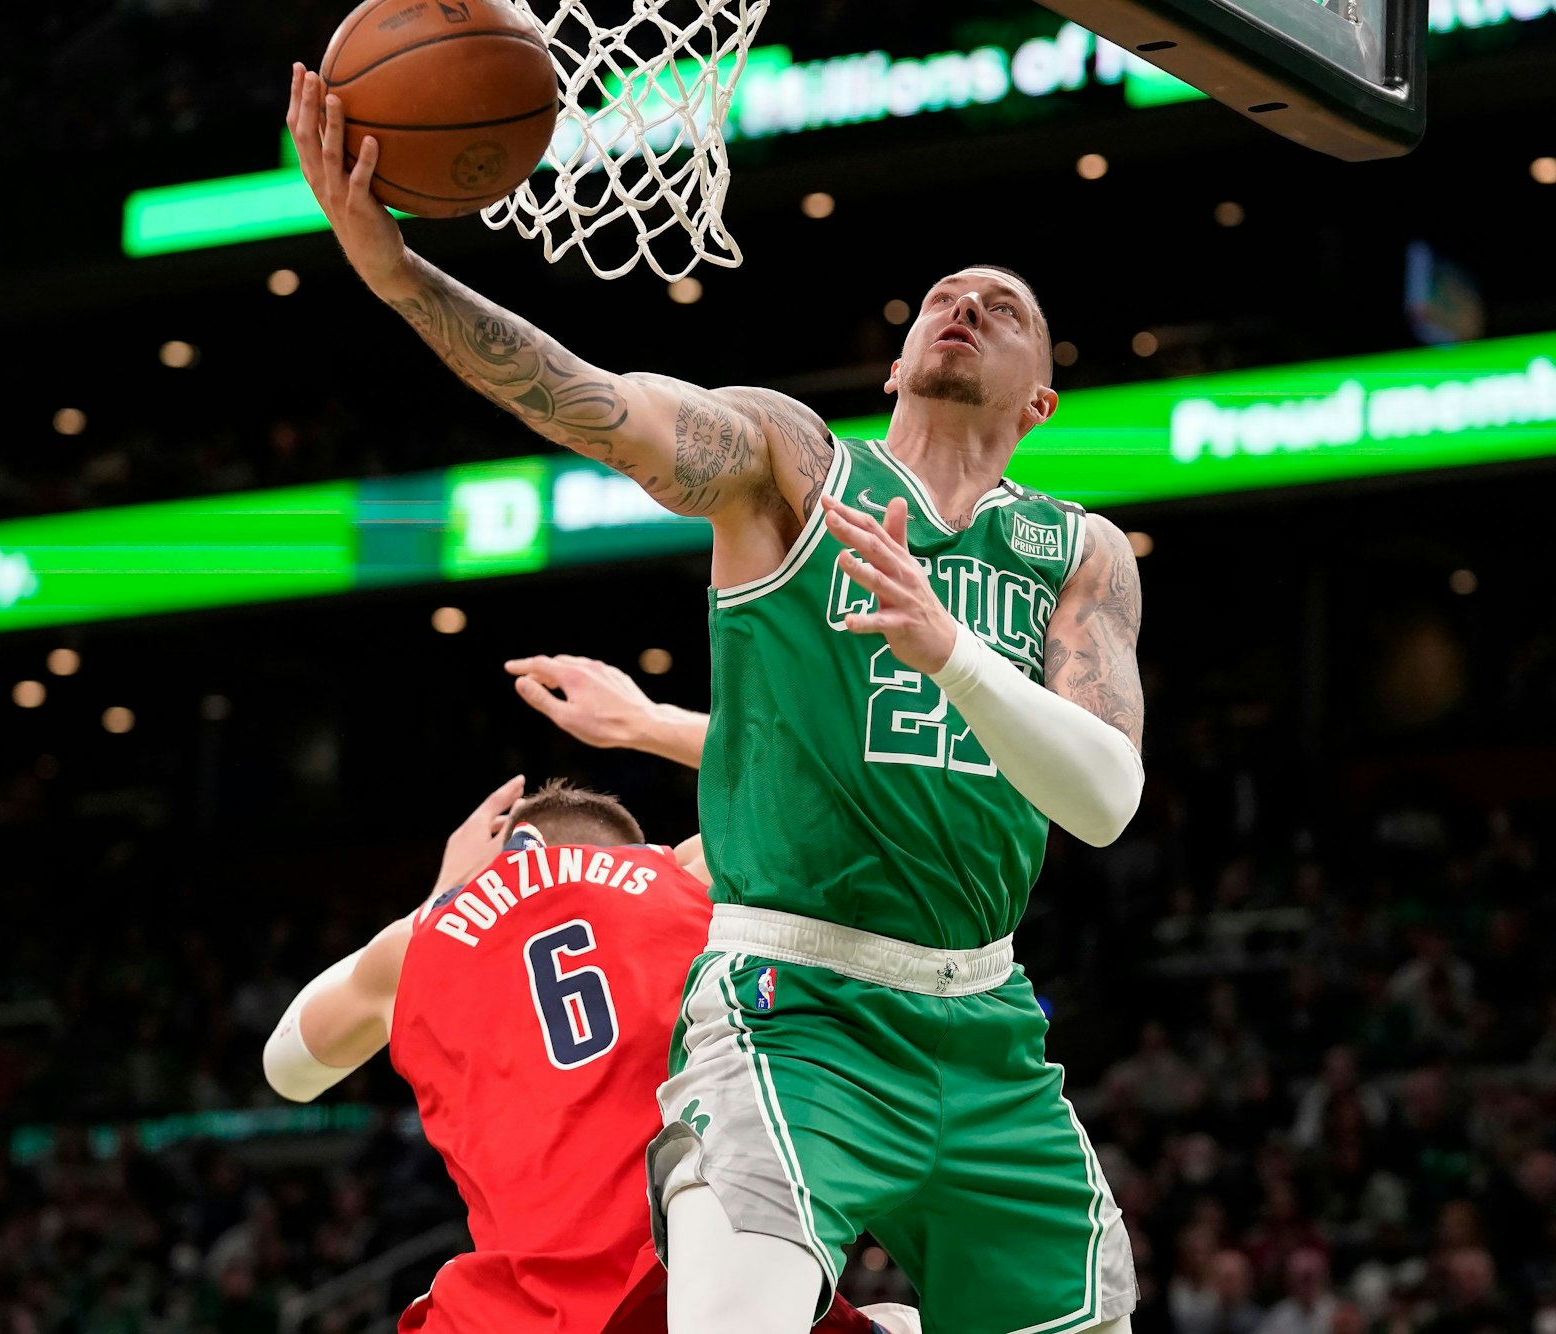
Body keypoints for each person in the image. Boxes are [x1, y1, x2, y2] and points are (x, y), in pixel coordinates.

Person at [289, 41, 1145, 1334]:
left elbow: (1100, 799)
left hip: (979, 1015)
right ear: (896, 359)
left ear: (1040, 397)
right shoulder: (791, 466)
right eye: (938, 296)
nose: (961, 303)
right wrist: (401, 277)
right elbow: (597, 402)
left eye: (1000, 303)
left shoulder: (1072, 550)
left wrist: (942, 652)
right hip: (790, 995)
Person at [260, 775, 893, 1334]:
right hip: (687, 1279)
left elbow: (287, 1069)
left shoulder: (418, 940)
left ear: (515, 845)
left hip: (507, 1310)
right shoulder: (687, 873)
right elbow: (824, 776)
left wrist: (443, 890)